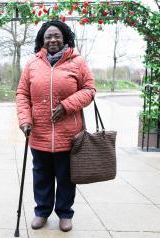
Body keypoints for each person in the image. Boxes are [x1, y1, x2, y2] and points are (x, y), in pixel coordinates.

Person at [16, 20, 96, 232]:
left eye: (57, 36)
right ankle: (41, 211)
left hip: (69, 135)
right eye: (48, 36)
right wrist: (24, 120)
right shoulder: (32, 64)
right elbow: (22, 94)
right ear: (42, 40)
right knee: (41, 175)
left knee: (67, 176)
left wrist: (67, 105)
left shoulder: (78, 62)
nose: (52, 39)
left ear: (65, 38)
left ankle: (65, 213)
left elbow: (89, 90)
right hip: (39, 133)